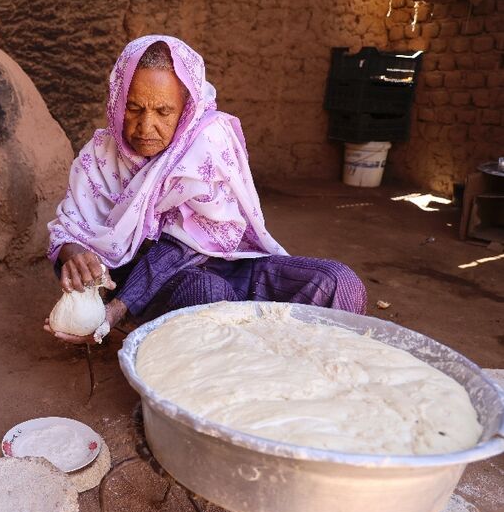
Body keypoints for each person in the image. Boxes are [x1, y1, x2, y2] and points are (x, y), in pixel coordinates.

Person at [44, 36, 366, 344]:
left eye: (163, 111)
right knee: (205, 295)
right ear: (116, 100)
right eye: (133, 108)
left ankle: (307, 380)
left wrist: (115, 311)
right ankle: (198, 388)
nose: (145, 127)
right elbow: (70, 228)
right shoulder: (100, 156)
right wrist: (74, 255)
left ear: (186, 107)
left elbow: (188, 246)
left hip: (230, 267)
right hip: (155, 287)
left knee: (338, 283)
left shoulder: (209, 144)